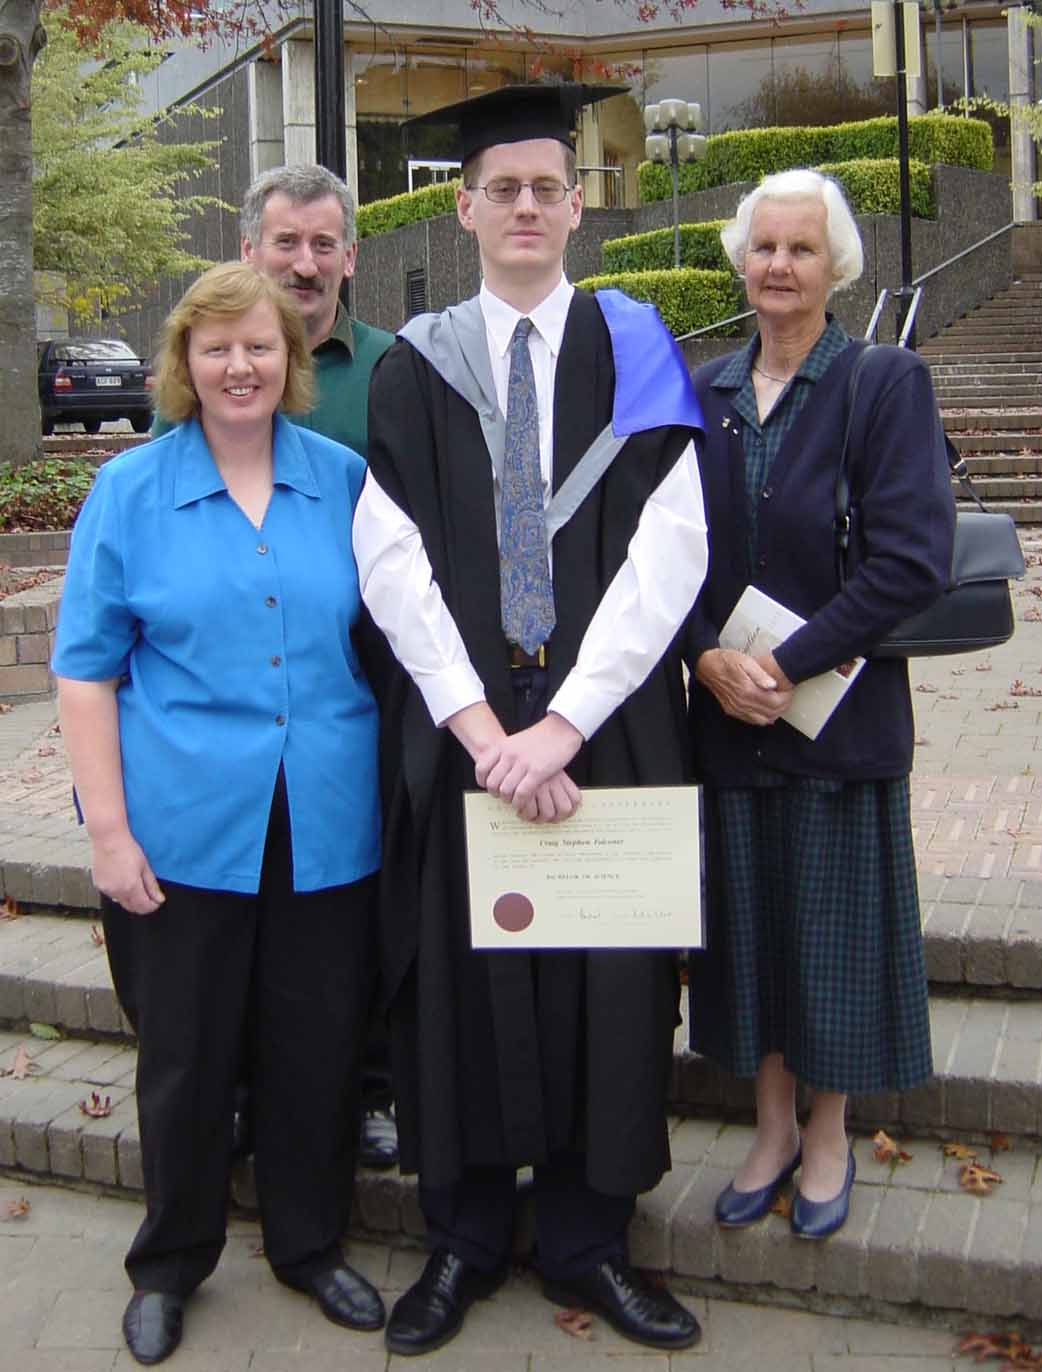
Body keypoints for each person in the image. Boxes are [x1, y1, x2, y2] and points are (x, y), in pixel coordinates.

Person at [353, 83, 709, 1357]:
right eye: (499, 189)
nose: (523, 207)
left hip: (602, 724)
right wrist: (477, 726)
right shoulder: (414, 364)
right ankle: (460, 1237)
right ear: (462, 208)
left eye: (544, 189)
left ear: (575, 206)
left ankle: (588, 1241)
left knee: (607, 980)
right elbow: (388, 557)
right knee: (460, 973)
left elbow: (672, 545)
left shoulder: (635, 345)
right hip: (464, 736)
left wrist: (558, 725)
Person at [52, 262, 385, 1365]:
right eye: (217, 348)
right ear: (183, 365)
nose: (240, 366)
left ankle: (309, 1243)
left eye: (260, 346)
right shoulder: (131, 491)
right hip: (183, 825)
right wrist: (108, 833)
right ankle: (170, 1262)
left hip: (325, 817)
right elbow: (84, 672)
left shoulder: (343, 481)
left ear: (292, 360)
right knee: (186, 1057)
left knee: (316, 1048)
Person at [685, 170, 955, 1241]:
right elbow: (662, 555)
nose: (779, 266)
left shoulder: (880, 383)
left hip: (835, 721)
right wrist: (706, 656)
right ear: (739, 260)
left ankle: (829, 1131)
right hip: (728, 721)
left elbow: (910, 558)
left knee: (828, 940)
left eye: (800, 248)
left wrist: (786, 662)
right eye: (763, 246)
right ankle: (768, 1127)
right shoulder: (702, 391)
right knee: (750, 933)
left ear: (834, 265)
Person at [154, 163, 400, 1170]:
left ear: (350, 256)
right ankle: (238, 1097)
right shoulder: (207, 367)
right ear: (250, 248)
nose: (305, 261)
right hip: (229, 704)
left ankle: (366, 1087)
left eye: (322, 243)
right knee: (238, 922)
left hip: (356, 691)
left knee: (345, 917)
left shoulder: (392, 370)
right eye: (286, 242)